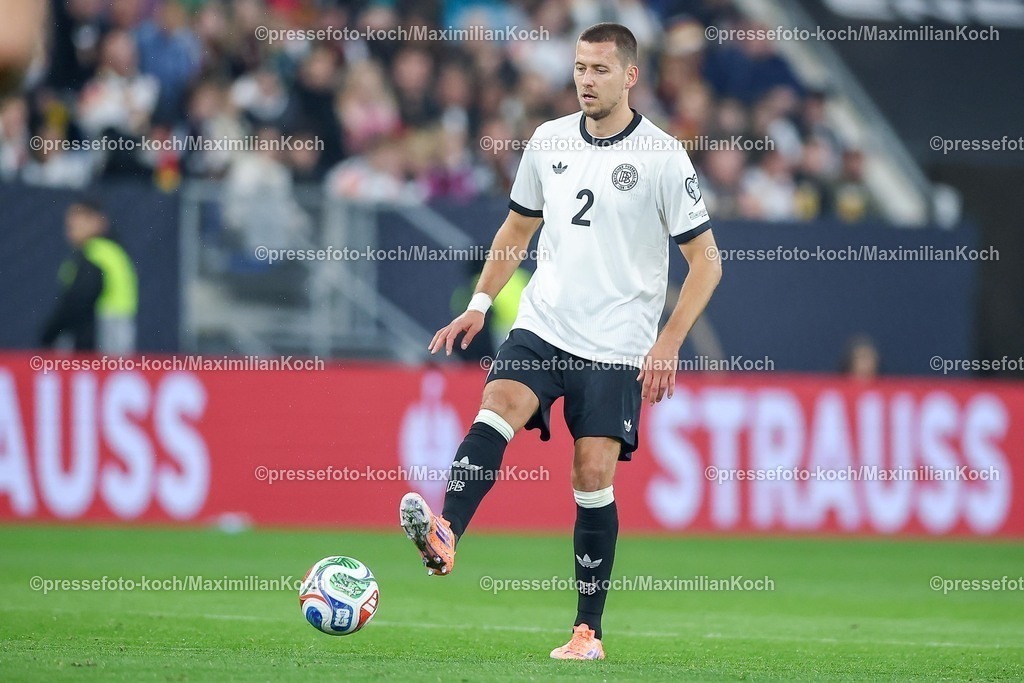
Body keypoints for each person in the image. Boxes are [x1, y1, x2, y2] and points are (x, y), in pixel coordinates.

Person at [398, 23, 722, 660]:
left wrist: (669, 341)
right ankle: (446, 531)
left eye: (600, 70)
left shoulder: (661, 155)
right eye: (579, 67)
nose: (585, 80)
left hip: (618, 344)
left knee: (591, 474)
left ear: (630, 76)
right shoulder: (548, 140)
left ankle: (587, 631)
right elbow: (517, 228)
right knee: (497, 404)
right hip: (544, 326)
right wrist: (479, 303)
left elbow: (706, 260)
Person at [39, 199, 138, 353]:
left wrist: (50, 333)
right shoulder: (113, 253)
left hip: (99, 337)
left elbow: (79, 299)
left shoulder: (95, 254)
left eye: (79, 218)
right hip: (117, 337)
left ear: (96, 221)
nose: (71, 225)